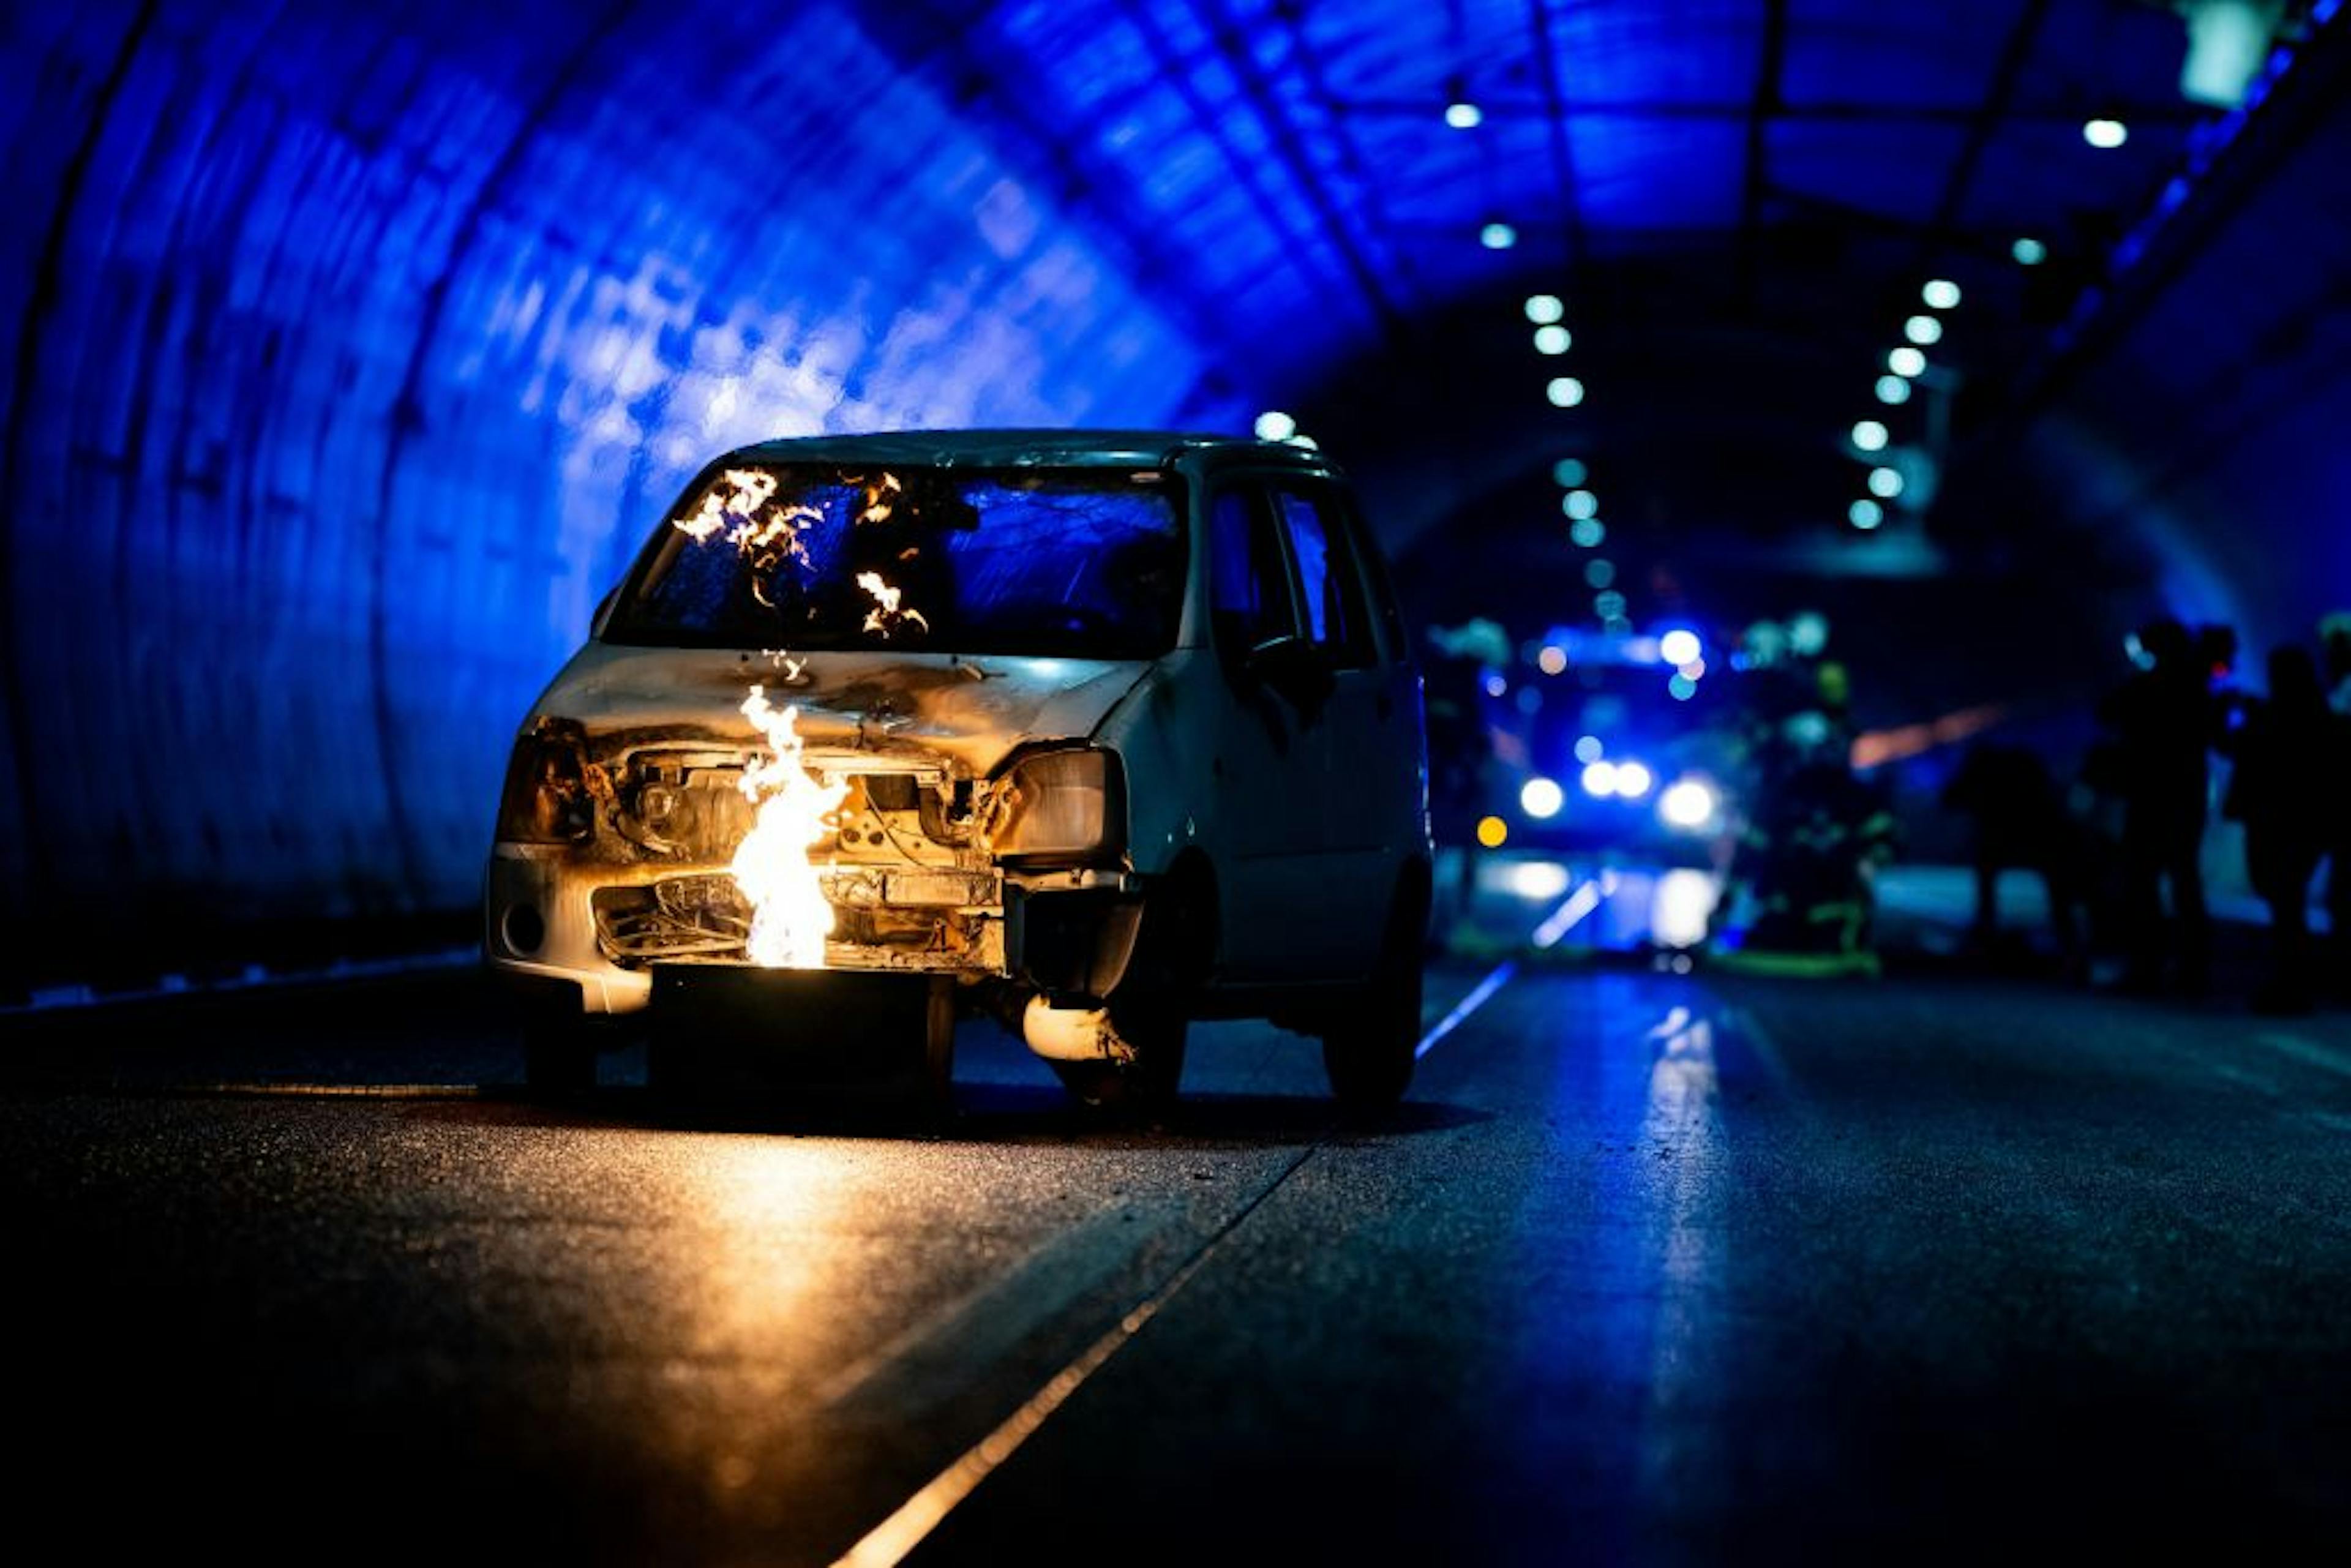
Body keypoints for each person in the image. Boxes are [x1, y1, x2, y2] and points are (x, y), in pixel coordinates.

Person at [2094, 617, 2218, 996]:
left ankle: (2148, 965)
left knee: (2144, 881)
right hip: (2185, 793)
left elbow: (2107, 712)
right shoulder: (2197, 686)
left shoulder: (2147, 686)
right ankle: (2190, 968)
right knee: (2183, 881)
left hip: (2151, 794)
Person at [2218, 644, 2336, 1013]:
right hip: (2300, 819)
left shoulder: (2281, 716)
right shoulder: (2316, 714)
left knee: (2284, 896)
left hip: (2281, 819)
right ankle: (2293, 980)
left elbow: (2241, 749)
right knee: (2285, 896)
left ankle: (2292, 983)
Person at [1939, 740, 2088, 978]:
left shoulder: (1993, 773)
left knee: (2052, 887)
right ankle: (2068, 945)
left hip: (2030, 835)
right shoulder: (2016, 769)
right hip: (2034, 835)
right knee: (2054, 890)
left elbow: (1951, 798)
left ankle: (1990, 936)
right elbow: (1952, 798)